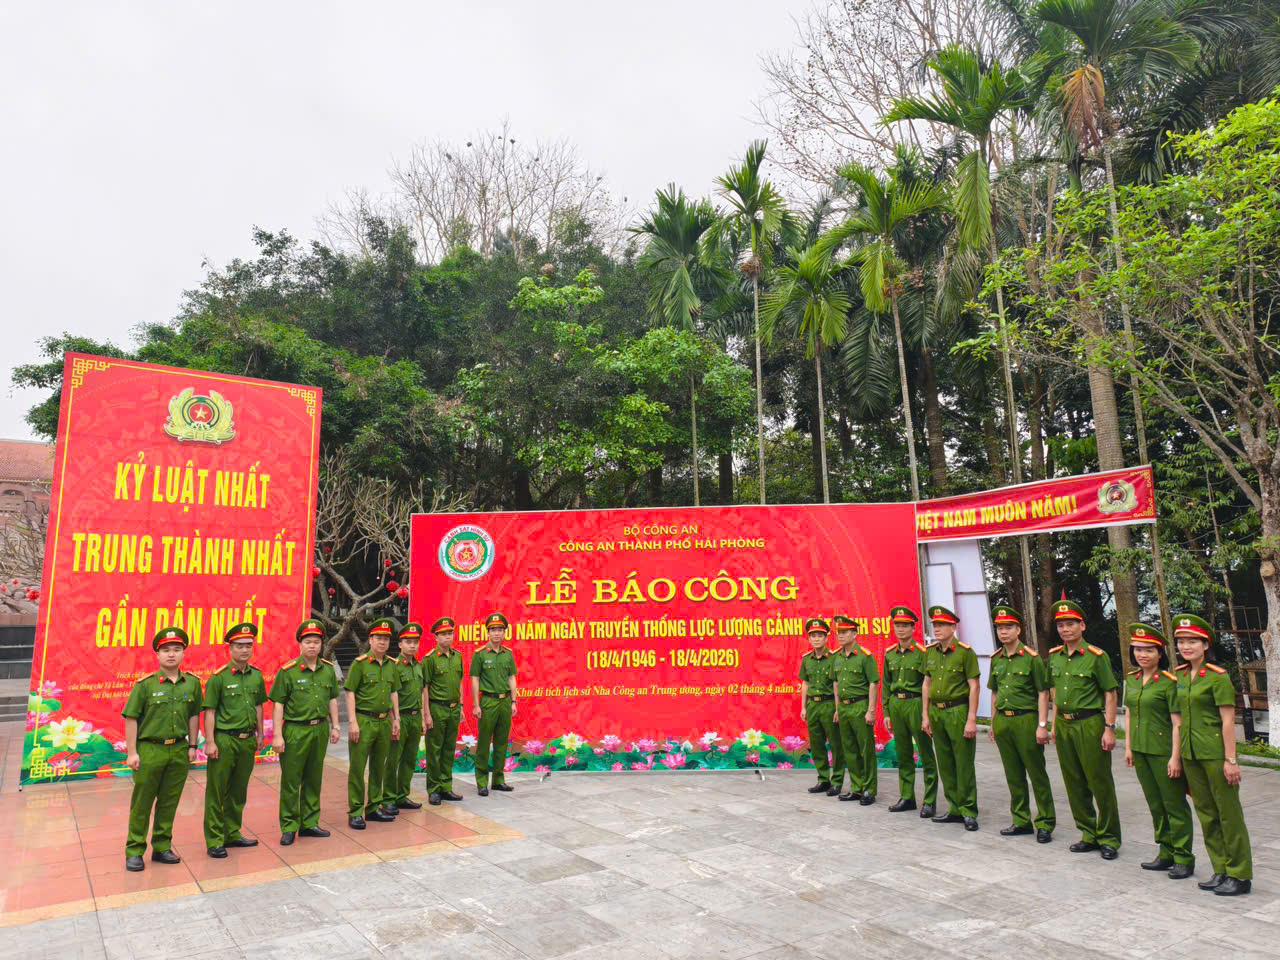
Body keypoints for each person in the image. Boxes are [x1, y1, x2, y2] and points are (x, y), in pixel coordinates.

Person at [1173, 613, 1253, 896]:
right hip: (1192, 754)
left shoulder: (1217, 677)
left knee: (1229, 814)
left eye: (1192, 640)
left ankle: (1240, 874)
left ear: (1205, 644)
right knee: (1206, 813)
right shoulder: (1181, 675)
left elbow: (1229, 721)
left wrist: (1231, 759)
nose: (1186, 646)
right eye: (1181, 641)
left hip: (1215, 753)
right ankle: (1221, 869)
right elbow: (1179, 717)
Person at [121, 626, 203, 871]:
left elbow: (193, 716)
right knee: (142, 803)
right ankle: (135, 850)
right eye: (166, 650)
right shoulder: (145, 686)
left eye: (177, 650)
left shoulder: (192, 684)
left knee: (169, 801)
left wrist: (191, 745)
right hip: (150, 750)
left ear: (183, 653)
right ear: (157, 654)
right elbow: (131, 718)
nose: (171, 654)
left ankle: (162, 847)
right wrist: (132, 752)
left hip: (178, 750)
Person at [1048, 598, 1121, 860]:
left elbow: (1110, 693)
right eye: (1061, 625)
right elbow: (1055, 692)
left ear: (1082, 626)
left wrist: (1110, 727)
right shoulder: (1054, 657)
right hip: (1065, 725)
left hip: (1090, 723)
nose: (1065, 629)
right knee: (1074, 781)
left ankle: (1109, 837)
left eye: (1070, 624)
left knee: (1099, 781)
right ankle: (1088, 833)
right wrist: (1054, 724)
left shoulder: (1096, 657)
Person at [1123, 622, 1194, 879]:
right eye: (1138, 649)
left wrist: (1176, 758)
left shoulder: (1169, 682)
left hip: (1164, 752)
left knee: (1174, 805)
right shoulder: (1131, 681)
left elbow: (1178, 723)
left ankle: (1184, 857)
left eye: (1149, 650)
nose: (1143, 654)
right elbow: (1129, 714)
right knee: (1155, 804)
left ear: (1160, 653)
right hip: (1141, 751)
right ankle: (1165, 852)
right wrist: (1129, 747)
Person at [986, 604, 1054, 843]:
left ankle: (1045, 822)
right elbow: (994, 692)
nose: (1003, 632)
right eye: (999, 628)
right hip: (1004, 721)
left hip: (1026, 720)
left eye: (1008, 627)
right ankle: (1021, 820)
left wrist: (1042, 724)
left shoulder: (1032, 659)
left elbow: (1043, 693)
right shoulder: (997, 659)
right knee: (1013, 774)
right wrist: (993, 722)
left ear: (1018, 630)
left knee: (1037, 773)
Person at [269, 619, 340, 845]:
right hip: (295, 731)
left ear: (321, 644)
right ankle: (289, 825)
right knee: (291, 780)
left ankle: (309, 823)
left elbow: (332, 700)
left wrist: (336, 725)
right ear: (300, 644)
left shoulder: (327, 670)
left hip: (319, 729)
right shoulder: (288, 672)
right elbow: (278, 703)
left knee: (314, 777)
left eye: (316, 642)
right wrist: (278, 735)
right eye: (308, 642)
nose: (312, 646)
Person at [202, 621, 267, 858]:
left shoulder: (256, 676)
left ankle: (232, 832)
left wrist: (260, 734)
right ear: (230, 649)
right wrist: (210, 742)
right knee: (217, 791)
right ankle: (214, 840)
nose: (244, 650)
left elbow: (259, 706)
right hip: (224, 740)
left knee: (239, 790)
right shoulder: (218, 678)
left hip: (247, 740)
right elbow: (210, 711)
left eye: (248, 645)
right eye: (239, 646)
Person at [921, 606, 980, 831]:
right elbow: (926, 683)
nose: (937, 629)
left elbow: (974, 687)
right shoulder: (931, 652)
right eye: (935, 625)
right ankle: (954, 808)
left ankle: (968, 810)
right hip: (936, 712)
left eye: (942, 625)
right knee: (944, 762)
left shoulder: (965, 652)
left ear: (953, 627)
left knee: (963, 762)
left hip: (958, 711)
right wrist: (925, 715)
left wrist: (972, 718)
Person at [345, 617, 402, 827]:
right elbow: (350, 693)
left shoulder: (391, 665)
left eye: (386, 639)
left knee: (379, 766)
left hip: (383, 722)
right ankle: (356, 811)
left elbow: (394, 692)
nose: (382, 642)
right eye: (378, 638)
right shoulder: (360, 665)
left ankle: (374, 807)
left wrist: (395, 719)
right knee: (358, 768)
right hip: (363, 720)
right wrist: (352, 722)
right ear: (370, 640)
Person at [881, 605, 937, 818]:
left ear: (914, 628)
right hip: (897, 704)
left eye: (905, 625)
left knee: (925, 754)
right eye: (898, 625)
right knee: (903, 754)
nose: (901, 629)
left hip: (915, 704)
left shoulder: (923, 654)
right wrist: (886, 712)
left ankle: (930, 801)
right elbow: (886, 684)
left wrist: (926, 714)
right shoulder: (890, 654)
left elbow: (928, 684)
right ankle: (907, 797)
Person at [831, 614, 879, 804]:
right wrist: (837, 708)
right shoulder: (837, 657)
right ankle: (857, 788)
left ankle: (869, 789)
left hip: (860, 706)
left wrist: (871, 710)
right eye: (839, 632)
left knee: (865, 750)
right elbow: (836, 684)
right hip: (843, 707)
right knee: (849, 749)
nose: (841, 636)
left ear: (855, 633)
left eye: (845, 632)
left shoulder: (865, 657)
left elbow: (873, 684)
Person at [471, 612, 519, 795]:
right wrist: (476, 705)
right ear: (488, 632)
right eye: (493, 630)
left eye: (500, 630)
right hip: (488, 702)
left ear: (504, 632)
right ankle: (482, 781)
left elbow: (512, 678)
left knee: (501, 742)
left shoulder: (508, 654)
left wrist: (514, 701)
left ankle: (498, 780)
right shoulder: (480, 654)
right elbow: (475, 679)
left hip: (505, 702)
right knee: (484, 742)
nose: (497, 633)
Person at [423, 616, 465, 805]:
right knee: (434, 750)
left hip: (454, 709)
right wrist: (427, 714)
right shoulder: (430, 659)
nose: (448, 637)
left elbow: (460, 683)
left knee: (449, 750)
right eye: (444, 634)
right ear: (436, 637)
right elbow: (424, 687)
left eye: (450, 633)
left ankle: (446, 787)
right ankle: (434, 789)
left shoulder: (458, 657)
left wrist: (462, 706)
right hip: (437, 708)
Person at [798, 617, 841, 796]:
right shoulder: (806, 659)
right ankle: (823, 779)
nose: (816, 639)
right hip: (813, 706)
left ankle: (837, 781)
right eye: (813, 636)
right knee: (816, 745)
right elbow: (805, 684)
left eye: (820, 636)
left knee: (836, 744)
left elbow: (836, 684)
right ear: (809, 638)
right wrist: (803, 707)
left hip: (829, 703)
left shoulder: (834, 658)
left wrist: (838, 709)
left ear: (826, 638)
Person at [385, 622, 425, 811]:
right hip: (401, 718)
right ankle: (389, 798)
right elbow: (390, 695)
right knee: (394, 759)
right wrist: (395, 720)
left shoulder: (419, 666)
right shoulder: (394, 666)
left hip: (416, 718)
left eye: (415, 642)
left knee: (409, 759)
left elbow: (422, 692)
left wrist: (424, 717)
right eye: (408, 642)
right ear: (400, 644)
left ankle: (402, 795)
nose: (412, 645)